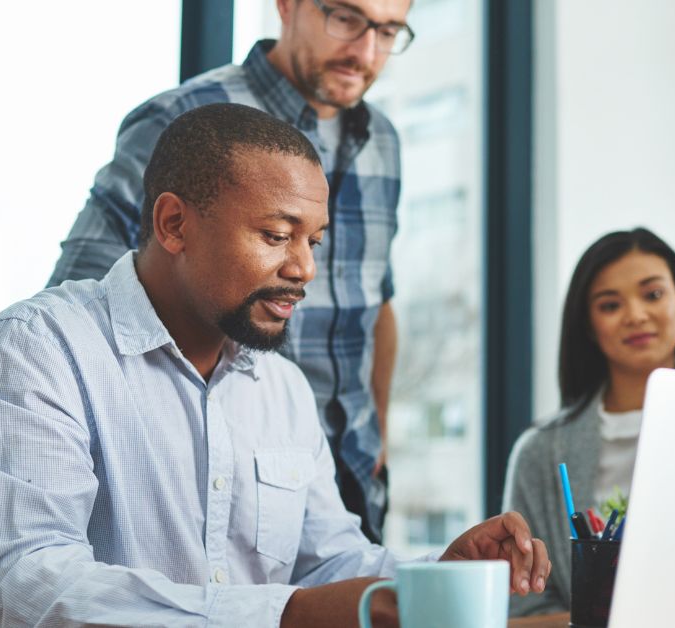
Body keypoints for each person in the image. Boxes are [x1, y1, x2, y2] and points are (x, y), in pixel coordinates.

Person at [0, 103, 549, 628]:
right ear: (174, 224)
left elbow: (329, 561)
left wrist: (436, 578)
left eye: (314, 240)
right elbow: (20, 589)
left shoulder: (281, 386)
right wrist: (289, 615)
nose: (305, 268)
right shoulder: (34, 352)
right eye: (277, 235)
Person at [46, 0, 416, 542]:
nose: (365, 50)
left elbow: (375, 301)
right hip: (223, 477)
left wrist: (377, 428)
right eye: (346, 17)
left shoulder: (383, 140)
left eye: (388, 30)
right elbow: (82, 305)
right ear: (286, 7)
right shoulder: (185, 120)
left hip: (350, 473)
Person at [502, 228, 675, 616]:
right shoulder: (540, 453)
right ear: (589, 325)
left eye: (653, 294)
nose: (636, 315)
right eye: (610, 305)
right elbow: (524, 606)